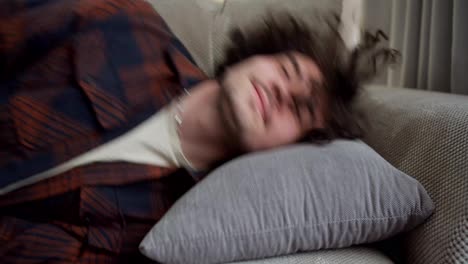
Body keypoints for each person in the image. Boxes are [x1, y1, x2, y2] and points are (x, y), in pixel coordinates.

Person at [0, 0, 397, 263]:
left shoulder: (179, 225)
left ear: (291, 150)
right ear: (260, 53)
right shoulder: (126, 26)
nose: (283, 91)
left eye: (301, 108)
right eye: (287, 70)